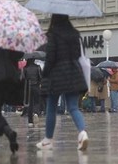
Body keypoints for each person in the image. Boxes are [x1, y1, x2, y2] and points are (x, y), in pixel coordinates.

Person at [36, 14, 89, 151]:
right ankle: (82, 133)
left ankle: (48, 140)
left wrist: (45, 74)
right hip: (74, 72)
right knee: (73, 107)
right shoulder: (75, 34)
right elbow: (78, 55)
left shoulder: (53, 35)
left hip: (57, 75)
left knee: (51, 108)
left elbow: (50, 58)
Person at [23, 58, 43, 126]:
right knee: (37, 101)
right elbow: (41, 77)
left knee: (29, 104)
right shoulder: (38, 67)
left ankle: (30, 122)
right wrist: (40, 83)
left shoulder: (25, 68)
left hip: (28, 87)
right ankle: (36, 112)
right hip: (36, 86)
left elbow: (23, 78)